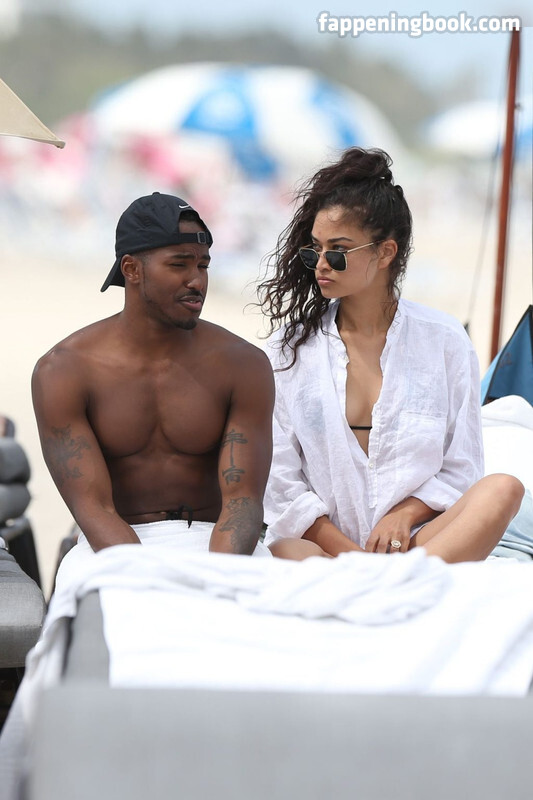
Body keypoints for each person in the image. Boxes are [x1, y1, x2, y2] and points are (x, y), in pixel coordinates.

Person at [258, 148, 524, 563]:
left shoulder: (444, 341)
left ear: (385, 252)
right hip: (327, 550)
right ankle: (395, 585)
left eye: (338, 251)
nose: (321, 265)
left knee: (504, 488)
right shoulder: (286, 350)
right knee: (286, 549)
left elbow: (462, 467)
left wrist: (404, 515)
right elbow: (281, 483)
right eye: (314, 251)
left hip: (419, 542)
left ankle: (396, 580)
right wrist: (355, 558)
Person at [32, 192, 274, 559]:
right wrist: (148, 577)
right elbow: (94, 508)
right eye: (179, 264)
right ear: (131, 269)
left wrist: (216, 577)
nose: (197, 281)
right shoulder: (64, 371)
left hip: (217, 545)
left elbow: (242, 502)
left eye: (203, 265)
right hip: (112, 547)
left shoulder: (244, 365)